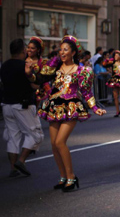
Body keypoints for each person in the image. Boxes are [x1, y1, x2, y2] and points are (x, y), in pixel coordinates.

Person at [28, 35, 106, 191]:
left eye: (65, 50)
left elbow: (87, 92)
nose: (62, 52)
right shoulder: (55, 68)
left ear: (73, 52)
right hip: (54, 106)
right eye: (61, 50)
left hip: (71, 107)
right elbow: (40, 79)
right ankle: (63, 177)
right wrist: (30, 74)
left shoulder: (82, 70)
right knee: (53, 145)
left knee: (59, 142)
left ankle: (71, 177)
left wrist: (95, 107)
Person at [1, 39, 44, 177]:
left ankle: (13, 167)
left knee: (13, 136)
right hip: (23, 105)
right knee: (36, 135)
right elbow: (34, 85)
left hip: (7, 104)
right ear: (22, 51)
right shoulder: (25, 65)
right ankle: (21, 160)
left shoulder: (4, 65)